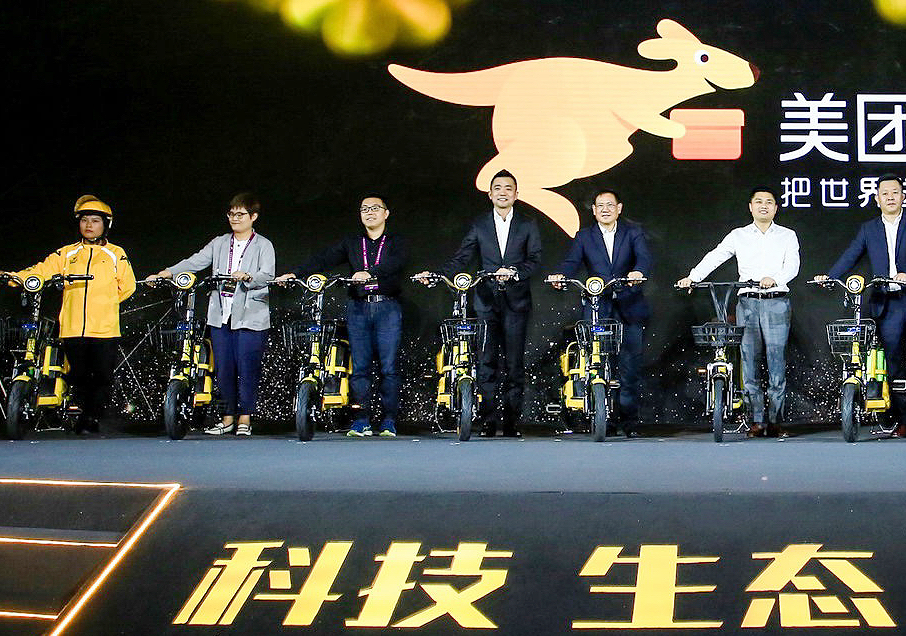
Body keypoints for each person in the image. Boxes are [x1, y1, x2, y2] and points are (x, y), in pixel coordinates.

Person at [0, 195, 137, 434]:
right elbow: (41, 271)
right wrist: (11, 277)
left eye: (95, 221)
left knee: (102, 375)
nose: (89, 225)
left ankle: (91, 417)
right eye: (84, 220)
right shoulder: (67, 254)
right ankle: (79, 412)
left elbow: (129, 286)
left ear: (106, 225)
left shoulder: (115, 253)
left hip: (105, 328)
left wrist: (106, 303)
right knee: (77, 374)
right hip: (72, 325)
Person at [815, 173, 906, 438]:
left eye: (895, 192)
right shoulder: (869, 228)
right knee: (894, 365)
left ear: (903, 196)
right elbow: (851, 254)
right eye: (885, 193)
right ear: (877, 198)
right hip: (887, 305)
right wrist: (831, 276)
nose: (890, 197)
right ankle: (904, 420)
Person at [421, 169, 542, 438]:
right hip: (486, 302)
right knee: (486, 362)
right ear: (490, 194)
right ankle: (487, 421)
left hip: (516, 302)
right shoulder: (479, 224)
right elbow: (462, 257)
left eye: (508, 188)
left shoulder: (528, 223)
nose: (502, 192)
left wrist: (515, 271)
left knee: (514, 364)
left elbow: (534, 259)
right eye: (497, 188)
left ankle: (511, 423)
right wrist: (438, 275)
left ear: (516, 194)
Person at [145, 193, 276, 437]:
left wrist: (248, 276)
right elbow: (195, 262)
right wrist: (167, 273)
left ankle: (245, 418)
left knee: (247, 369)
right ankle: (227, 419)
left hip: (250, 316)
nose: (235, 218)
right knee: (223, 370)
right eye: (231, 214)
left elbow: (267, 275)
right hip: (221, 316)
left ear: (253, 217)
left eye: (241, 214)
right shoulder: (220, 243)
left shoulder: (263, 245)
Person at [279, 196, 410, 438]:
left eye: (375, 208)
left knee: (389, 368)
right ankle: (361, 420)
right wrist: (295, 273)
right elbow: (323, 258)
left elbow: (396, 263)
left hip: (387, 307)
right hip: (358, 308)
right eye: (364, 209)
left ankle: (389, 420)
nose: (369, 212)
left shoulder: (396, 241)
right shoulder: (352, 242)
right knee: (359, 368)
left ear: (386, 213)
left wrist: (369, 272)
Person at [676, 186, 800, 438]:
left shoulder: (787, 235)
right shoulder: (738, 235)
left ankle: (775, 421)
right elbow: (716, 256)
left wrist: (774, 279)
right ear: (751, 207)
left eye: (769, 202)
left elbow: (793, 266)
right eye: (759, 201)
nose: (764, 205)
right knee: (749, 361)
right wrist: (693, 277)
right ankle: (756, 420)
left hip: (776, 302)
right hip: (747, 304)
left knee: (776, 361)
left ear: (776, 208)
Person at [549, 189, 653, 436]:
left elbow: (644, 258)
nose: (605, 209)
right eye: (600, 206)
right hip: (598, 306)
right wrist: (561, 276)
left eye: (610, 205)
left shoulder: (633, 233)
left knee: (629, 366)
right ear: (594, 210)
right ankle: (602, 417)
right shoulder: (584, 236)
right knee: (599, 362)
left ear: (619, 208)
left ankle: (629, 421)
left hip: (629, 305)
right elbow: (572, 262)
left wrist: (638, 272)